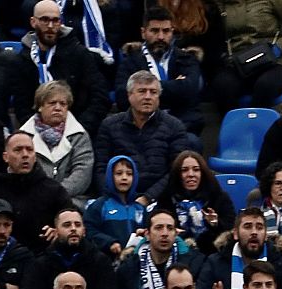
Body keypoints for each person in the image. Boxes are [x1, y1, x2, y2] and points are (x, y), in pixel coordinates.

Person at [94, 72, 200, 201]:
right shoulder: (109, 125)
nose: (148, 97)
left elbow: (176, 170)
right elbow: (101, 168)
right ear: (129, 95)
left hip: (162, 199)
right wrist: (114, 198)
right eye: (142, 91)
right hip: (118, 197)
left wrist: (148, 197)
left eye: (153, 92)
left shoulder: (175, 126)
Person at [18, 1, 110, 134]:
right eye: (45, 20)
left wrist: (80, 129)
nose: (50, 25)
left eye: (55, 20)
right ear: (33, 22)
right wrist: (35, 132)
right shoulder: (24, 58)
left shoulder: (80, 54)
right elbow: (22, 105)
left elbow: (100, 96)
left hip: (77, 132)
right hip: (36, 135)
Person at [114, 7, 206, 132]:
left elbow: (189, 91)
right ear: (143, 32)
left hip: (182, 126)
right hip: (141, 128)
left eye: (166, 31)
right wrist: (175, 86)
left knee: (191, 142)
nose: (161, 36)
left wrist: (142, 91)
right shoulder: (130, 61)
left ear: (172, 32)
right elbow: (122, 98)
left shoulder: (186, 59)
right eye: (155, 31)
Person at [210, 0, 282, 111]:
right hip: (239, 63)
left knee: (265, 85)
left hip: (275, 62)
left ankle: (258, 125)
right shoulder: (221, 4)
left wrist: (278, 49)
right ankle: (235, 124)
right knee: (222, 85)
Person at [24, 208, 116, 289]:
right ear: (56, 231)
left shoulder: (101, 262)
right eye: (67, 225)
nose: (73, 229)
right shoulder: (40, 265)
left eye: (77, 225)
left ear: (84, 231)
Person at [18, 81, 95, 202]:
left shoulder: (80, 136)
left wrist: (56, 193)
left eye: (63, 104)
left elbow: (82, 173)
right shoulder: (23, 136)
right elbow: (19, 171)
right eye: (52, 103)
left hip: (71, 199)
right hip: (33, 199)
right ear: (40, 106)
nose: (58, 108)